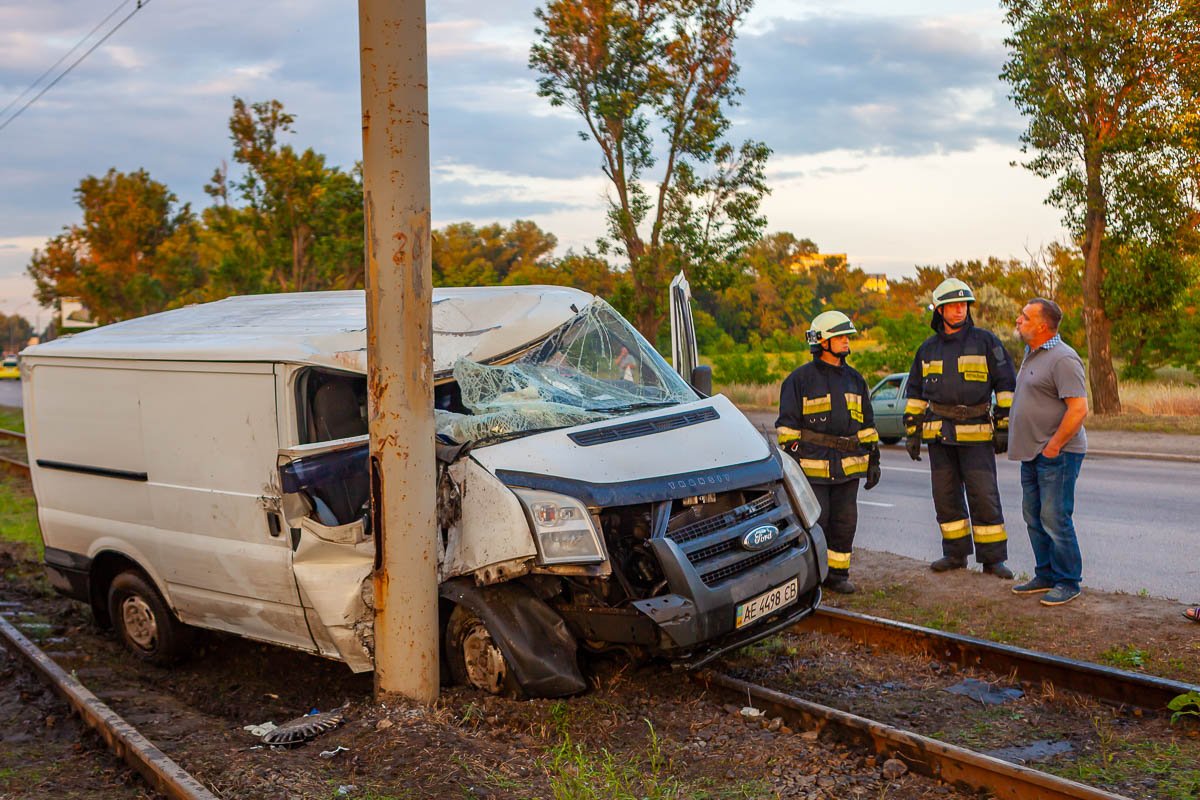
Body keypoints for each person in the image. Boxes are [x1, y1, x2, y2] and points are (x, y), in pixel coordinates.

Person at [904, 278, 1016, 578]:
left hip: (977, 436)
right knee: (946, 497)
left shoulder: (987, 342)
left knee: (984, 496)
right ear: (940, 310)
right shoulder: (927, 349)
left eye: (963, 305)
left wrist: (1004, 426)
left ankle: (993, 560)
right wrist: (912, 432)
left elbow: (1006, 385)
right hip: (939, 436)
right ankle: (954, 554)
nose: (959, 311)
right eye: (952, 306)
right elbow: (915, 393)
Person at [776, 310, 881, 594]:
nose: (847, 341)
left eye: (847, 336)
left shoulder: (856, 380)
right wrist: (794, 463)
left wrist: (873, 458)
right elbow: (787, 429)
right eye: (840, 337)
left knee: (845, 523)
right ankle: (812, 578)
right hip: (813, 470)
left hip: (848, 469)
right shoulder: (798, 381)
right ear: (822, 341)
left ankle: (838, 575)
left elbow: (867, 425)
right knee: (817, 524)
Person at [1008, 297, 1088, 606]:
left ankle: (1068, 581)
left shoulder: (1063, 358)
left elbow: (1078, 409)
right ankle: (1046, 574)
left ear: (1042, 326)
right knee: (1033, 516)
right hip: (1032, 452)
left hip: (1058, 453)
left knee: (1055, 517)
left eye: (1025, 317)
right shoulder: (1032, 354)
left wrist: (1054, 446)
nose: (1019, 320)